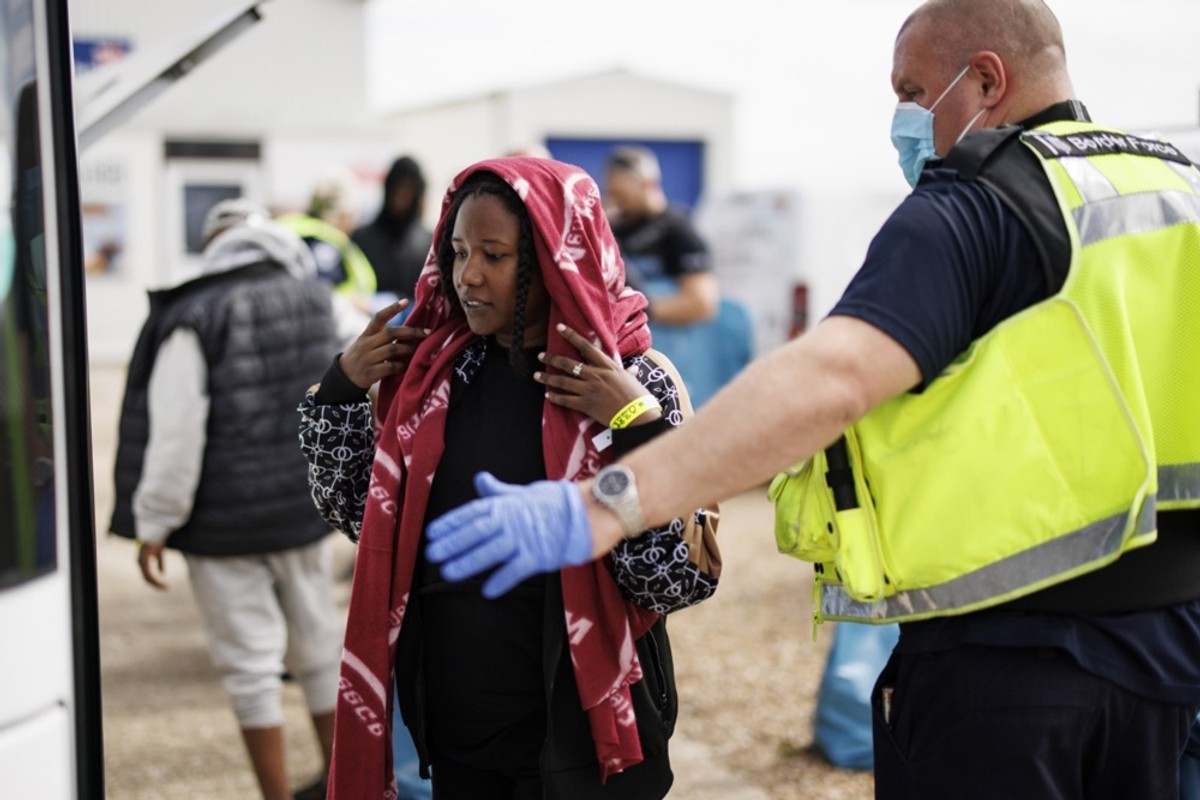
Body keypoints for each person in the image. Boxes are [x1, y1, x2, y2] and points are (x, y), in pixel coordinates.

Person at [420, 2, 1200, 798]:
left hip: (1010, 667)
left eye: (913, 89)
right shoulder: (1179, 190)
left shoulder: (980, 204)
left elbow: (831, 378)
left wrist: (610, 500)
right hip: (1172, 657)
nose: (902, 118)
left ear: (988, 80)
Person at [298, 156, 719, 799]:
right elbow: (365, 518)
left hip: (584, 743)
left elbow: (673, 580)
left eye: (495, 254)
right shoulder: (434, 380)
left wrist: (633, 424)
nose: (468, 276)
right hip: (461, 735)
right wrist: (340, 392)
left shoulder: (634, 381)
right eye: (459, 251)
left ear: (559, 257)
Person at [109, 201, 344, 800]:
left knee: (250, 667)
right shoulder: (320, 299)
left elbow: (177, 431)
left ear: (214, 250)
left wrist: (154, 521)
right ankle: (351, 786)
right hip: (303, 510)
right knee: (319, 651)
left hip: (223, 527)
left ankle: (276, 795)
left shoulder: (193, 313)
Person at [604, 145, 745, 407]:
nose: (616, 202)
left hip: (677, 361)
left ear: (648, 183)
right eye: (612, 193)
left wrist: (638, 311)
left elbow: (702, 304)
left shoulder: (678, 229)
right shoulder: (615, 228)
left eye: (622, 194)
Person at [279, 170, 377, 308]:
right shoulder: (322, 244)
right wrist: (355, 303)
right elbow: (321, 296)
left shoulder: (298, 230)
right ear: (343, 214)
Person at [350, 155, 433, 303]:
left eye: (409, 188)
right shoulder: (361, 238)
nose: (402, 195)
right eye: (398, 187)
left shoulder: (430, 243)